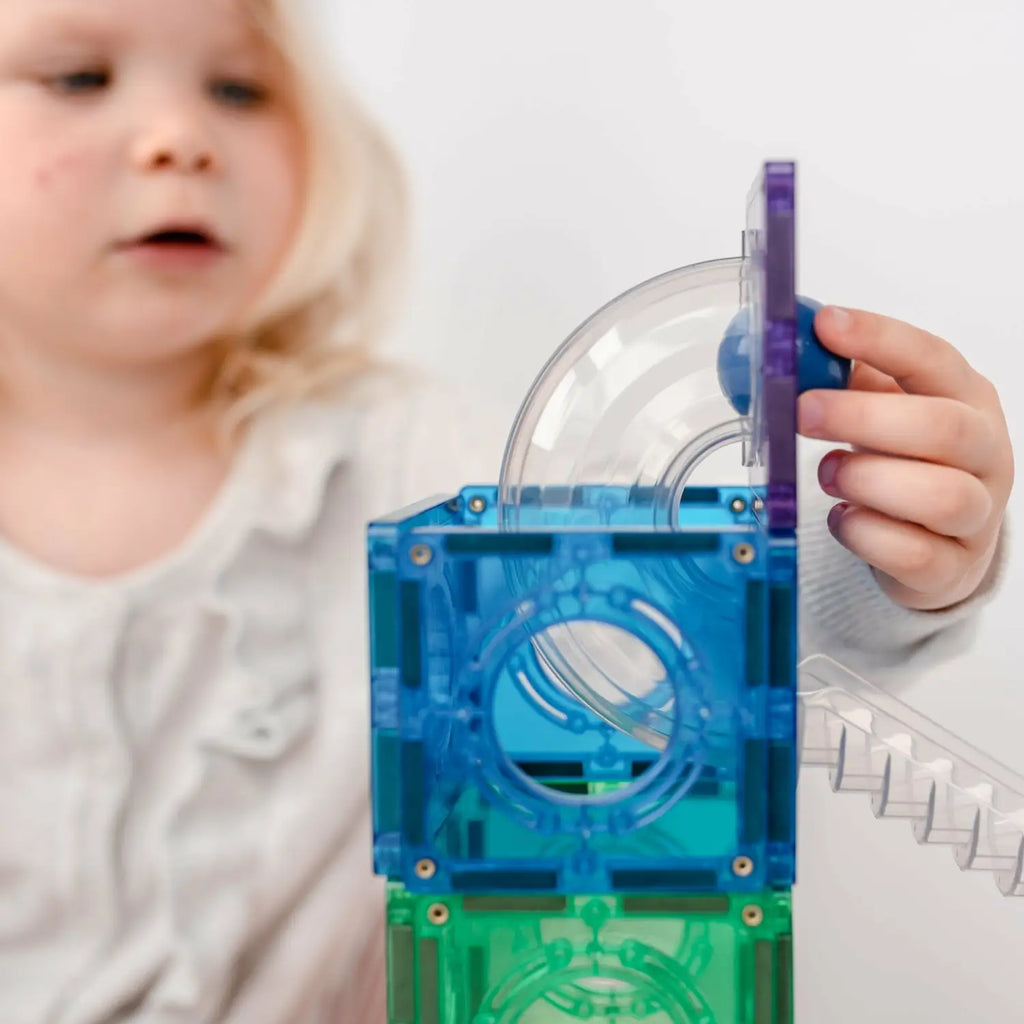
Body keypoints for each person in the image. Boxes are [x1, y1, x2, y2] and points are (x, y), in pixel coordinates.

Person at [0, 1, 1012, 1022]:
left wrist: (889, 560)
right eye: (78, 77)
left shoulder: (406, 458)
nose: (181, 139)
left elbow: (674, 619)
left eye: (241, 88)